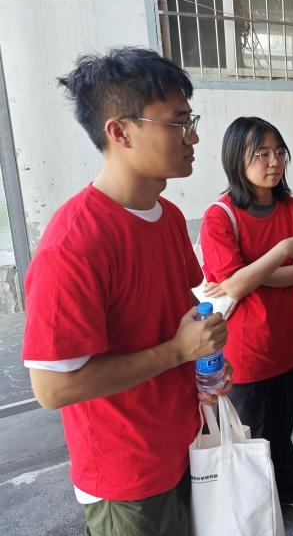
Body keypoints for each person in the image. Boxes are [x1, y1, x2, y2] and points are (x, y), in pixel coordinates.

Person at [21, 47, 232, 536]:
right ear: (120, 132)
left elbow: (181, 317)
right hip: (128, 479)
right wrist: (177, 351)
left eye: (191, 120)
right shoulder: (74, 243)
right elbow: (53, 389)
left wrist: (205, 357)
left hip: (185, 444)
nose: (193, 137)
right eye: (178, 122)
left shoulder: (169, 218)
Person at [199, 116, 293, 511]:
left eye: (279, 152)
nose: (274, 162)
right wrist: (281, 251)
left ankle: (286, 488)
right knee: (251, 435)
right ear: (237, 159)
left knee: (282, 428)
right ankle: (256, 507)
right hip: (245, 352)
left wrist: (245, 274)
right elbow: (236, 287)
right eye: (261, 154)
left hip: (287, 344)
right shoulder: (220, 216)